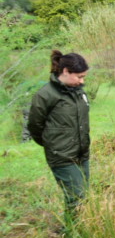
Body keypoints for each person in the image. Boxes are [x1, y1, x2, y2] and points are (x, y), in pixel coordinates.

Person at [27, 50, 90, 222]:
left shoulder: (79, 92)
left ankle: (83, 231)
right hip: (61, 156)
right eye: (79, 76)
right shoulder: (45, 95)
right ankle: (70, 237)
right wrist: (53, 145)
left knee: (84, 195)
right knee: (76, 197)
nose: (82, 81)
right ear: (65, 72)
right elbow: (35, 126)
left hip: (82, 154)